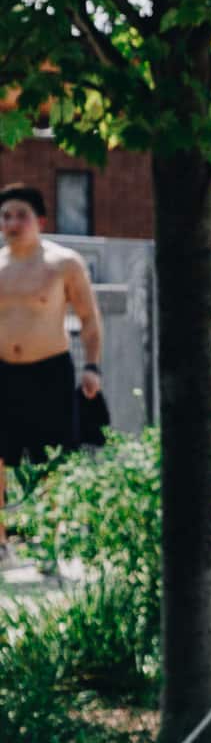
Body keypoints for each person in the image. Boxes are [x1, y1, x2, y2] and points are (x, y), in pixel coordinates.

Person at [0, 184, 104, 555]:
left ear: (40, 221)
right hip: (3, 374)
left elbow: (89, 318)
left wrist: (92, 366)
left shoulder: (63, 263)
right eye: (6, 216)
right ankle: (0, 541)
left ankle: (52, 540)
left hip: (49, 372)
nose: (12, 223)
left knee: (52, 458)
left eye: (21, 215)